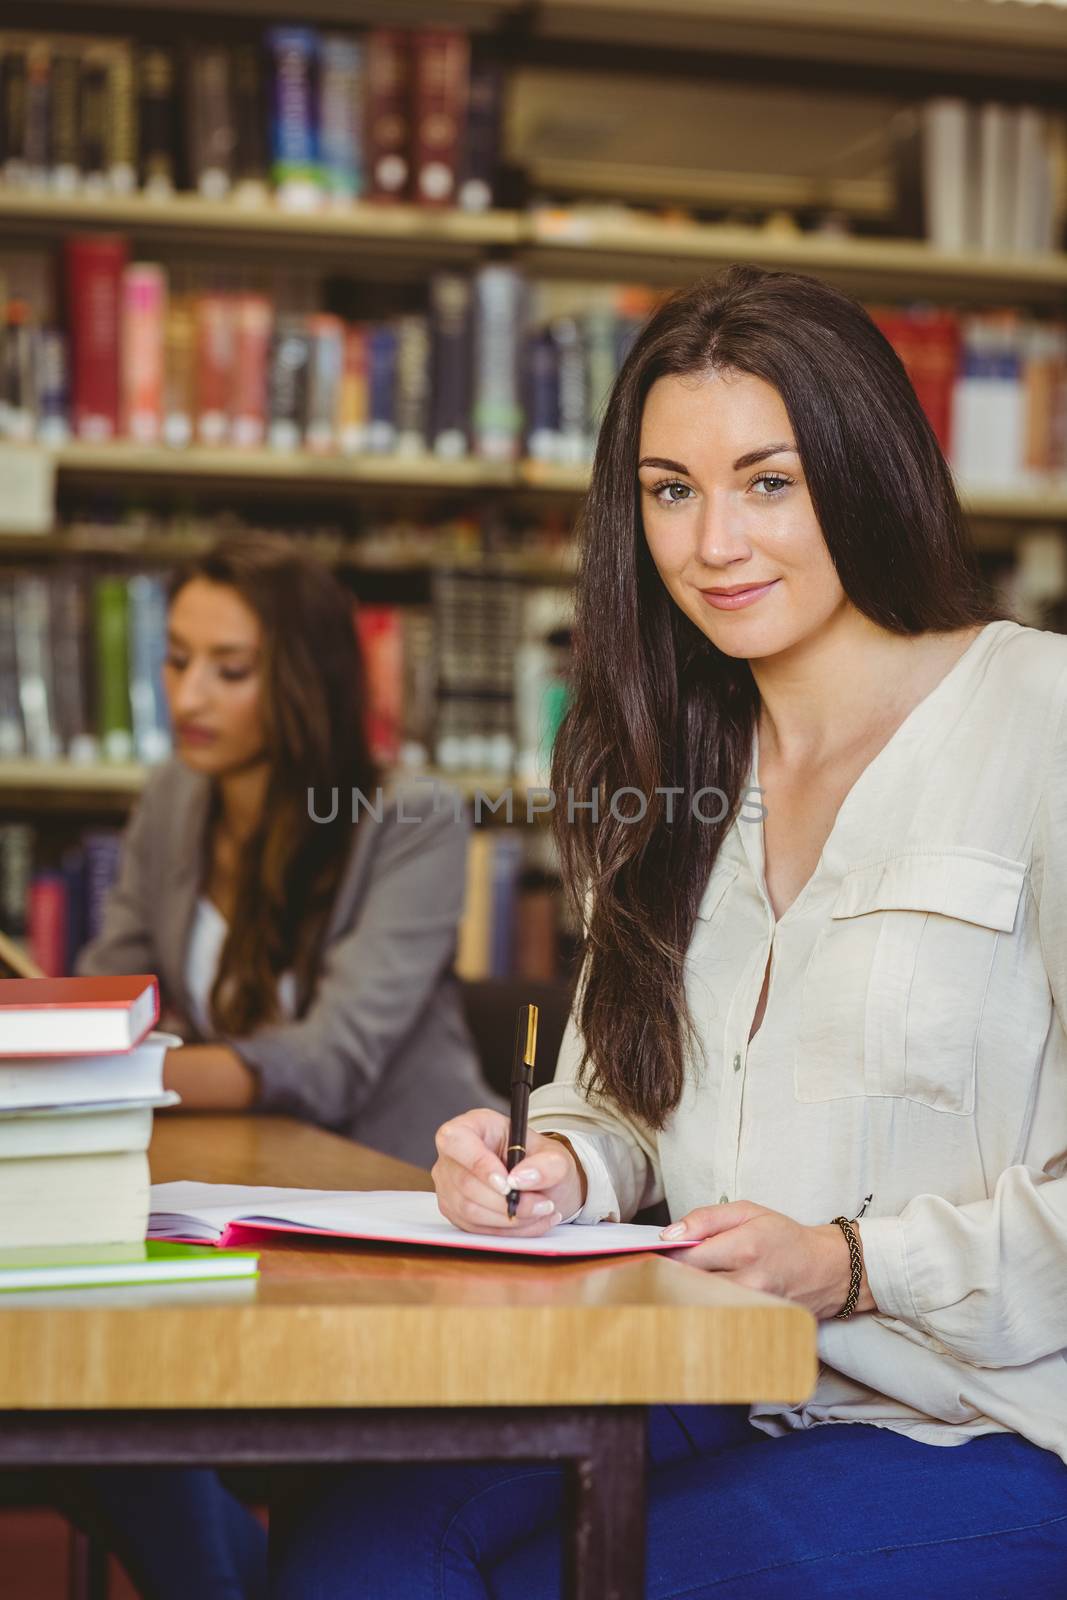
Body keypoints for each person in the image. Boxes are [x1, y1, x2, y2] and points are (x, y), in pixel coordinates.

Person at [269, 264, 1067, 1598]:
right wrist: (554, 1171)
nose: (711, 545)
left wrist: (849, 1264)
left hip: (974, 1418)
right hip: (695, 1363)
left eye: (768, 481)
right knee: (356, 1554)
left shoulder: (1037, 718)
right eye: (669, 491)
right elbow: (620, 1103)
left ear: (863, 470)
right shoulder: (677, 759)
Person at [76, 530, 504, 1168]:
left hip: (407, 1184)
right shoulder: (172, 796)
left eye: (231, 671)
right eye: (175, 658)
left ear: (306, 678)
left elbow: (332, 1062)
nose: (188, 697)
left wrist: (116, 1077)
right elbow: (113, 990)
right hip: (242, 1165)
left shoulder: (412, 817)